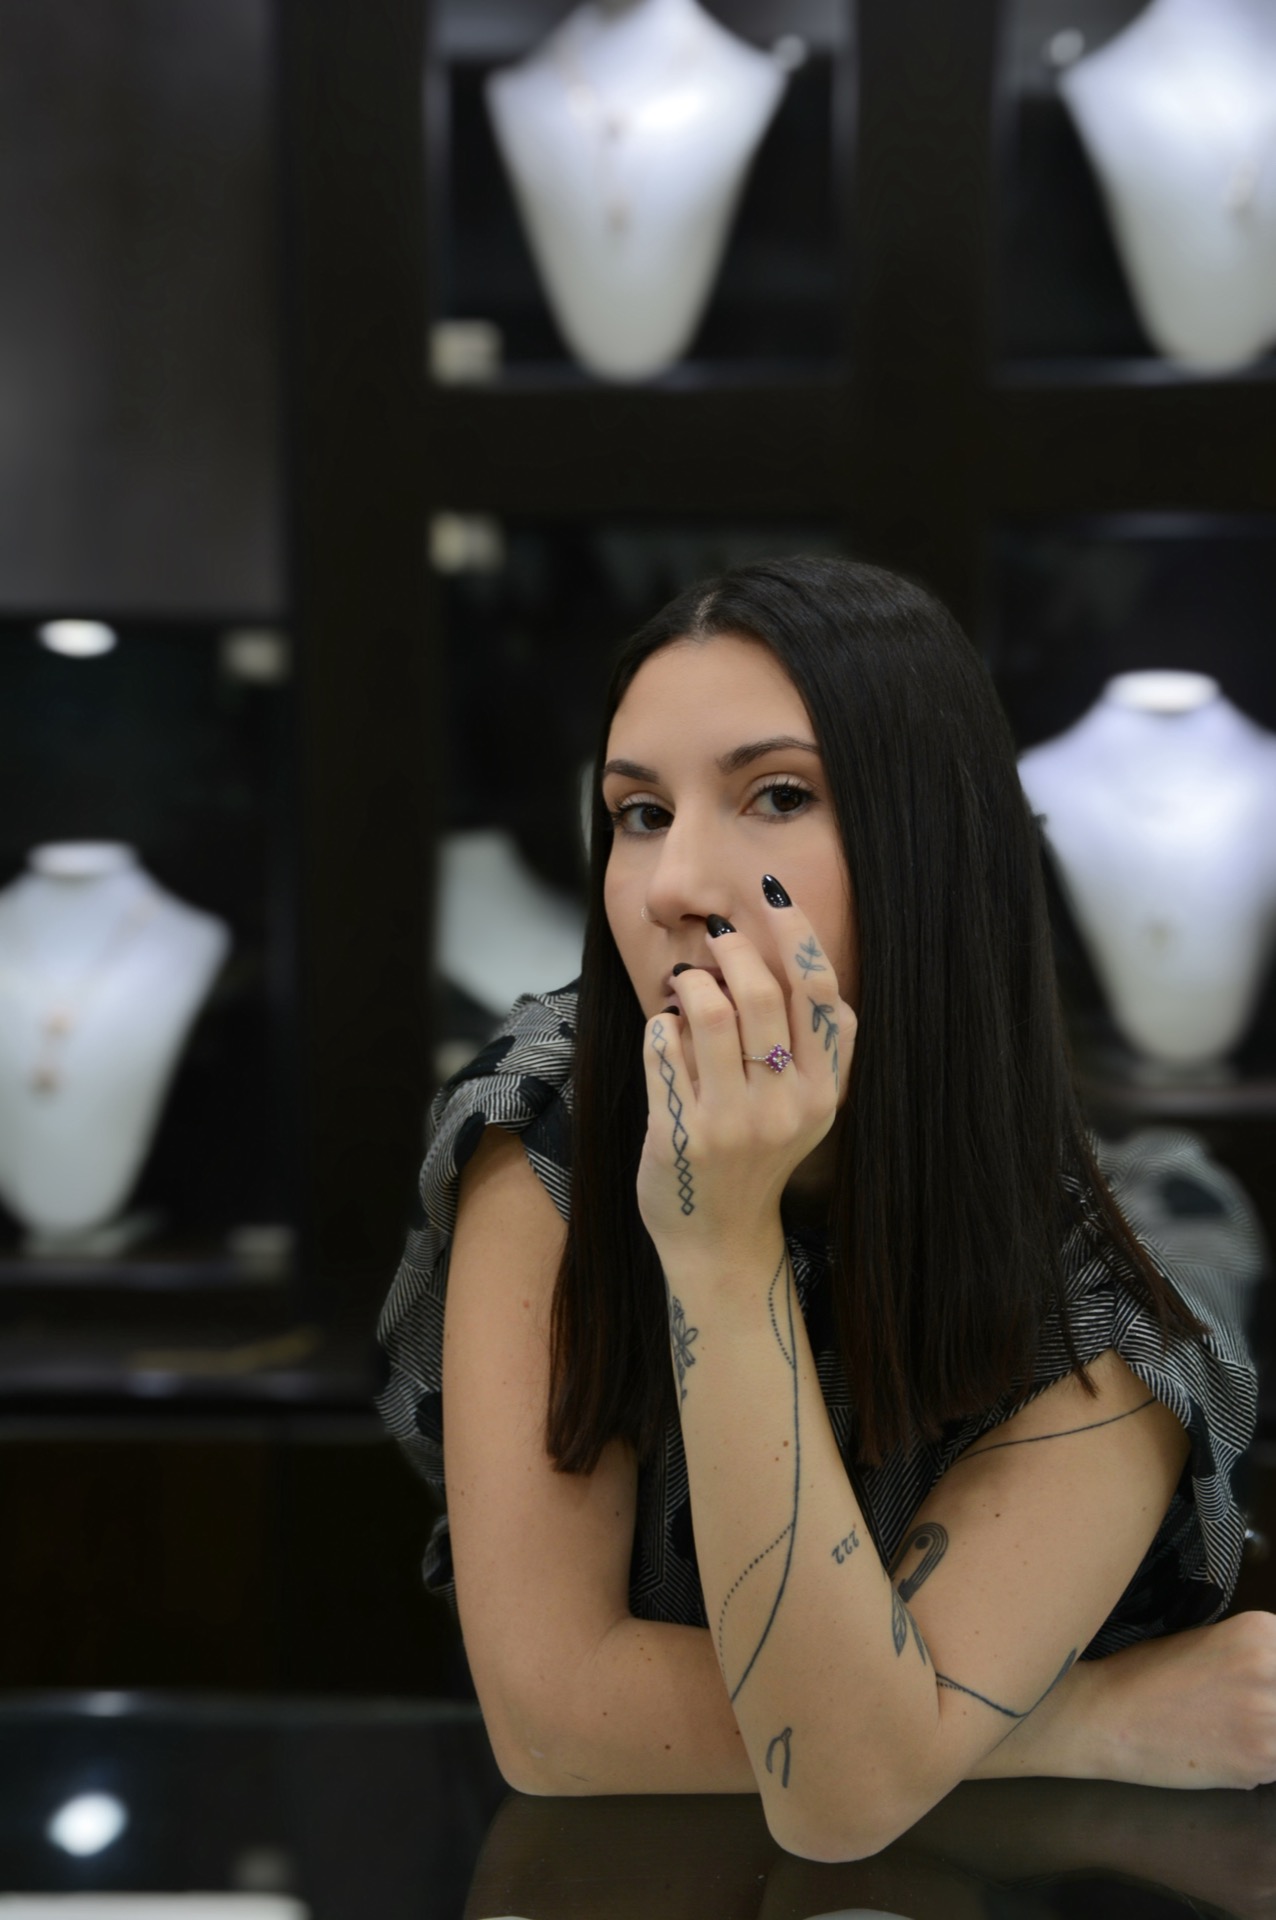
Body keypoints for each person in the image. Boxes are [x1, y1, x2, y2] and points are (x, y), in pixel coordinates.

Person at [377, 556, 1270, 1862]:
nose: (675, 882)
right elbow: (557, 1725)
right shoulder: (554, 1119)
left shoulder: (1114, 1302)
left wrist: (722, 1248)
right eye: (639, 813)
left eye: (779, 796)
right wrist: (1087, 1718)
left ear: (931, 847)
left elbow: (840, 1794)